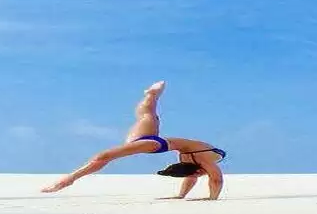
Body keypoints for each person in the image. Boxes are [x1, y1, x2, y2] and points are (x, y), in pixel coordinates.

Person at [41, 81, 225, 200]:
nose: (201, 176)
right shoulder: (202, 161)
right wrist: (212, 199)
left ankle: (151, 95)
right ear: (198, 171)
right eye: (200, 175)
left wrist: (180, 196)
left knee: (147, 117)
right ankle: (68, 180)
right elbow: (216, 180)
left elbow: (193, 177)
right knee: (105, 155)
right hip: (153, 143)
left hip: (155, 143)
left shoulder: (193, 162)